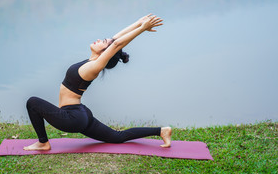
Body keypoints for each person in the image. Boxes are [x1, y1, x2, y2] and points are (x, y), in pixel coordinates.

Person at [23, 14, 172, 151]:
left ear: (105, 53)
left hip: (72, 118)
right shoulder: (92, 61)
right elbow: (116, 39)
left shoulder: (94, 67)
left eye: (103, 42)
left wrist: (142, 29)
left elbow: (116, 45)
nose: (100, 40)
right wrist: (139, 23)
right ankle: (161, 131)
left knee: (32, 102)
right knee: (117, 137)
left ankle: (43, 142)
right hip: (81, 114)